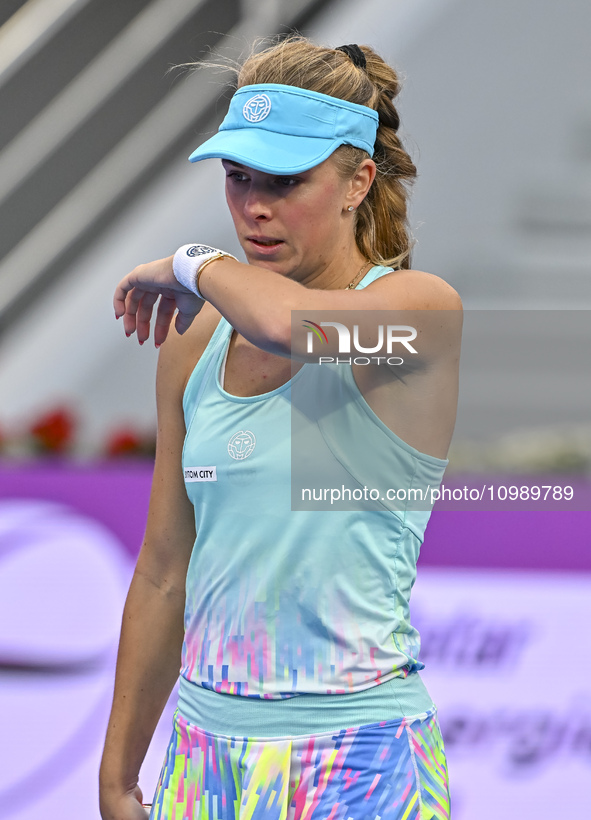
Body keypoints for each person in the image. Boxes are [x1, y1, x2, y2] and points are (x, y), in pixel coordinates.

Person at [99, 37, 462, 820]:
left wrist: (189, 261)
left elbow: (284, 328)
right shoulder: (194, 340)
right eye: (237, 178)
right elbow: (166, 568)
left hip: (361, 759)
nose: (254, 207)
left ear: (357, 182)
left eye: (286, 181)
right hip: (201, 760)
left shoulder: (418, 314)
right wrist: (120, 779)